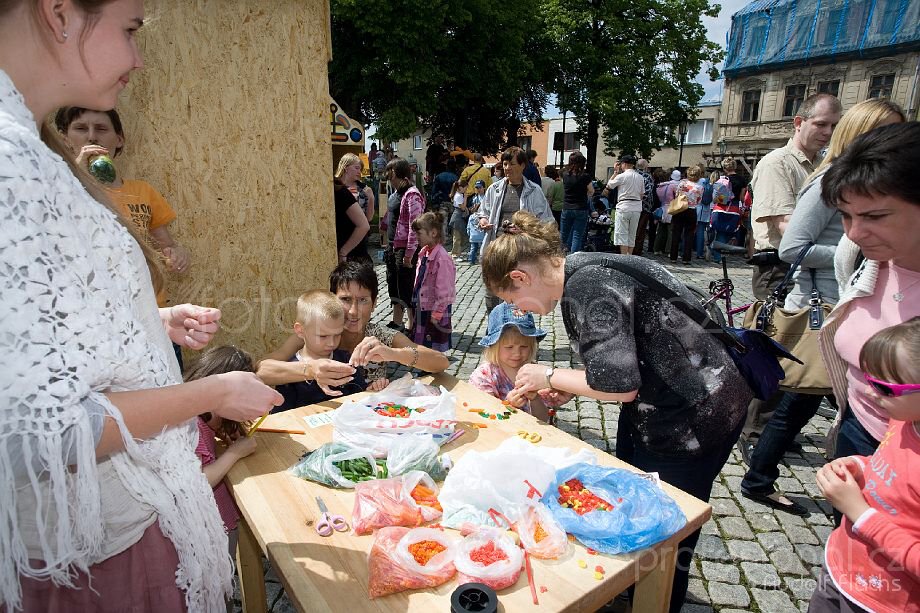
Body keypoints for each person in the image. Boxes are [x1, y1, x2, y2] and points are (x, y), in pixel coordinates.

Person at [0, 2, 284, 610]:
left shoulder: (31, 153)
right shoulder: (13, 167)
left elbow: (40, 338)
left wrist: (151, 322)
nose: (138, 57)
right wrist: (212, 393)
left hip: (115, 526)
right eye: (130, 29)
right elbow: (35, 436)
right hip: (102, 546)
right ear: (59, 15)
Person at [480, 211, 752, 613]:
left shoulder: (586, 287)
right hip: (701, 392)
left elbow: (620, 386)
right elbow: (624, 361)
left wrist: (549, 374)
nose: (523, 311)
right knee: (633, 491)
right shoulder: (587, 264)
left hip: (690, 416)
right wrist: (560, 384)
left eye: (512, 301)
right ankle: (637, 585)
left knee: (666, 523)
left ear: (520, 278)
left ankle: (658, 597)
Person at [739, 100, 906, 516]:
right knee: (799, 392)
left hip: (839, 300)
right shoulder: (827, 180)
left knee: (804, 397)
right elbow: (792, 244)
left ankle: (759, 472)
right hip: (822, 303)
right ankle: (757, 467)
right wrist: (857, 250)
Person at [818, 122, 920, 506]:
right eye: (845, 215)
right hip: (856, 427)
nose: (855, 232)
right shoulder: (861, 257)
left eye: (875, 216)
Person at [740, 93, 842, 457]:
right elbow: (784, 224)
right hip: (777, 266)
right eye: (820, 124)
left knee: (797, 352)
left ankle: (773, 431)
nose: (827, 132)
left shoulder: (816, 165)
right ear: (799, 123)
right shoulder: (778, 162)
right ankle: (754, 432)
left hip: (802, 265)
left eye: (833, 126)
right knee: (775, 348)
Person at [809, 318, 920, 612]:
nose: (871, 393)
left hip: (883, 601)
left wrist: (859, 513)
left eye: (885, 388)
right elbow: (890, 463)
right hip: (840, 569)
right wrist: (859, 465)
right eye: (870, 381)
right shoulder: (904, 420)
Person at [257, 261, 449, 393]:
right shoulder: (313, 334)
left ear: (375, 304)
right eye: (346, 299)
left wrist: (393, 354)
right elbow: (261, 369)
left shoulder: (381, 336)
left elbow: (440, 363)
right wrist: (310, 369)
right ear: (331, 298)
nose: (353, 311)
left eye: (363, 300)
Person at [55, 107, 191, 288]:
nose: (92, 137)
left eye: (101, 129)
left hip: (146, 302)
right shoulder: (59, 190)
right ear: (65, 139)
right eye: (80, 129)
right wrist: (77, 180)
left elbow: (166, 246)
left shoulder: (143, 191)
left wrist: (177, 254)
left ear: (119, 139)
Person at [185, 346, 259, 589]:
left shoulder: (204, 417)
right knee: (216, 589)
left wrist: (224, 433)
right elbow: (200, 480)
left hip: (217, 524)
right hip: (210, 530)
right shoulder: (191, 427)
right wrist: (235, 452)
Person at [475, 146, 554, 312]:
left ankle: (516, 332)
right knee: (492, 293)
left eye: (511, 164)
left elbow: (547, 222)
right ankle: (494, 330)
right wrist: (483, 220)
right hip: (495, 249)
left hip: (520, 252)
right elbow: (483, 212)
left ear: (523, 165)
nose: (507, 168)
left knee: (517, 295)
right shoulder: (494, 189)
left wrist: (525, 229)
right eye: (504, 164)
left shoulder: (534, 191)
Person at [469, 303, 573, 422]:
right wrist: (507, 405)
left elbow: (543, 419)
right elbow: (484, 417)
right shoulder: (484, 375)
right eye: (509, 347)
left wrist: (535, 399)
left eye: (524, 346)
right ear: (493, 346)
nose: (517, 353)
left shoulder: (535, 373)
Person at [273, 290, 372, 413]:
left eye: (337, 335)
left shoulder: (346, 360)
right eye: (323, 336)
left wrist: (371, 390)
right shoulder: (290, 373)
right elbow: (283, 417)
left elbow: (359, 393)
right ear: (300, 331)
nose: (331, 343)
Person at [383, 158, 425, 331]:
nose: (387, 176)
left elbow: (414, 227)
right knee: (394, 285)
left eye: (389, 173)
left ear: (396, 173)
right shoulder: (395, 194)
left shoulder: (412, 194)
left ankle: (412, 325)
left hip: (405, 249)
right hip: (393, 246)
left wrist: (409, 254)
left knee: (406, 287)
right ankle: (397, 321)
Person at [410, 212, 455, 351]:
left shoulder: (442, 258)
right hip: (423, 306)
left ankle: (434, 370)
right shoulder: (424, 253)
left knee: (433, 346)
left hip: (434, 310)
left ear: (433, 233)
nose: (416, 237)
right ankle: (424, 368)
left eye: (419, 233)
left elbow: (445, 290)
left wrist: (437, 313)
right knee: (423, 343)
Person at [336, 152, 375, 259]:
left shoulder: (364, 190)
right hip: (338, 235)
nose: (359, 172)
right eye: (356, 168)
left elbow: (369, 218)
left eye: (360, 168)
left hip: (357, 238)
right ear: (345, 167)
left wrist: (371, 199)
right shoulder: (335, 187)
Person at [606, 154, 645, 256]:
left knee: (622, 233)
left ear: (624, 164)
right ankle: (630, 256)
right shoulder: (640, 177)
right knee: (632, 234)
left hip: (624, 206)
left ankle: (624, 257)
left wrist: (615, 172)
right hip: (636, 207)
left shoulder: (621, 176)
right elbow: (642, 195)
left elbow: (609, 185)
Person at [560, 150, 594, 253]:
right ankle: (573, 259)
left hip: (566, 207)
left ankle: (559, 257)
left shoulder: (565, 175)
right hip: (581, 208)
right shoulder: (585, 176)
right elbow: (591, 191)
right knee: (577, 236)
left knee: (563, 234)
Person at [669, 165, 704, 264]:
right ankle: (686, 258)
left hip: (680, 208)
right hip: (691, 210)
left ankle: (673, 256)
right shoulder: (700, 187)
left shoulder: (682, 183)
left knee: (676, 233)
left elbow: (676, 194)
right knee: (689, 234)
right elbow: (699, 200)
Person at [333, 176, 371, 263]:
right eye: (356, 168)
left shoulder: (341, 192)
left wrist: (343, 252)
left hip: (354, 257)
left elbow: (364, 225)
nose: (359, 171)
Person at [632, 158, 656, 257]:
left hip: (631, 205)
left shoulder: (632, 175)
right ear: (645, 167)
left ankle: (629, 249)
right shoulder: (647, 176)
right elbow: (648, 191)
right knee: (640, 230)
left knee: (631, 229)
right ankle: (637, 251)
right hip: (644, 207)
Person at [695, 170, 716, 259]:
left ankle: (698, 251)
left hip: (699, 208)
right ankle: (706, 250)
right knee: (707, 231)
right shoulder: (712, 184)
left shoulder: (700, 182)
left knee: (698, 231)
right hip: (708, 209)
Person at [448, 177, 470, 258]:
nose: (466, 190)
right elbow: (463, 207)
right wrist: (465, 198)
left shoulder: (459, 195)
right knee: (457, 237)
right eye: (465, 188)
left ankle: (458, 252)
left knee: (459, 236)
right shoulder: (458, 196)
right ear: (460, 187)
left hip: (458, 216)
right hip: (457, 217)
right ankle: (455, 254)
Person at [467, 180, 487, 264]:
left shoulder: (487, 197)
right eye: (477, 188)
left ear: (484, 188)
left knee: (484, 244)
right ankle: (472, 260)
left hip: (484, 219)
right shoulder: (474, 198)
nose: (478, 189)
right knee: (474, 246)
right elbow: (471, 209)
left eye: (480, 187)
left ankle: (484, 260)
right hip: (475, 219)